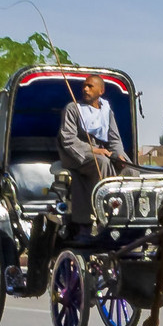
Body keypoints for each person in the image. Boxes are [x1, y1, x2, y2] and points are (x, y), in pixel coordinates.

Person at [58, 74, 129, 222]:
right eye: (84, 86)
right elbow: (68, 139)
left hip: (102, 153)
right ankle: (100, 214)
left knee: (129, 167)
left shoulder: (106, 111)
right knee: (102, 162)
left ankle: (128, 213)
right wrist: (94, 150)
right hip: (77, 155)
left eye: (90, 86)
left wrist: (119, 155)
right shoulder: (73, 109)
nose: (85, 89)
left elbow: (114, 139)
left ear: (101, 91)